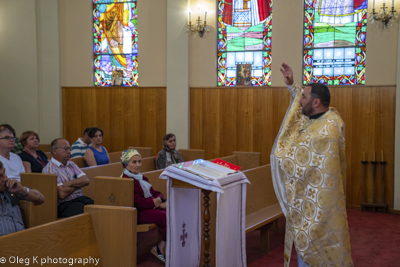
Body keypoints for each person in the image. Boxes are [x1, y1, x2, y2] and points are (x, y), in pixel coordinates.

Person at [271, 63, 353, 266]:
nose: (299, 102)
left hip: (321, 205)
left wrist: (289, 161)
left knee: (318, 247)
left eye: (304, 98)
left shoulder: (330, 126)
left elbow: (312, 160)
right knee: (303, 249)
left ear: (316, 102)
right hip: (302, 200)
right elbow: (297, 112)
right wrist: (292, 85)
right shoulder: (309, 117)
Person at [121, 149, 167, 263]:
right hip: (137, 213)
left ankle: (166, 246)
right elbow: (138, 202)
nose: (138, 165)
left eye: (139, 162)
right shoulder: (126, 181)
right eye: (134, 162)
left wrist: (159, 199)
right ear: (126, 164)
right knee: (166, 217)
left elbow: (155, 192)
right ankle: (160, 248)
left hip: (148, 208)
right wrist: (155, 202)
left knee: (172, 213)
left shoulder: (141, 178)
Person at [42, 138, 93, 218]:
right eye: (66, 149)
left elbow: (86, 180)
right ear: (55, 151)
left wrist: (67, 183)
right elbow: (62, 194)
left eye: (69, 148)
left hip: (80, 199)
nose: (69, 152)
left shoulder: (71, 164)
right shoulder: (50, 169)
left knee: (99, 207)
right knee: (92, 213)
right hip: (65, 205)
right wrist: (78, 184)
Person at [0, 160, 44, 236]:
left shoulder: (10, 191)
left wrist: (22, 190)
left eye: (4, 173)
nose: (5, 178)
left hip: (22, 241)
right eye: (0, 176)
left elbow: (40, 198)